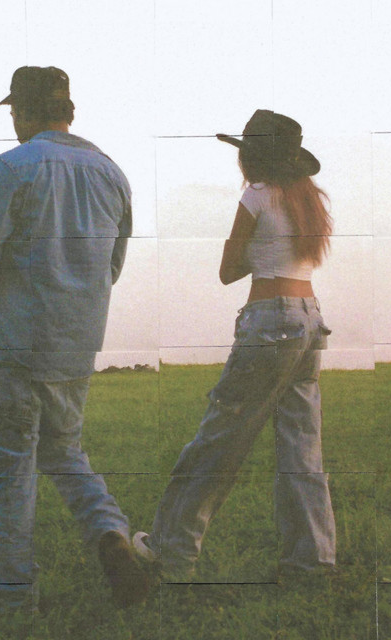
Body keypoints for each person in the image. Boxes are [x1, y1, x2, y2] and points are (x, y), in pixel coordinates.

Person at [0, 66, 150, 613]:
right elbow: (112, 268)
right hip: (76, 341)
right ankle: (110, 534)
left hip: (17, 339)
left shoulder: (9, 167)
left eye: (15, 111)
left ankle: (13, 600)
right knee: (65, 451)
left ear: (22, 111)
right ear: (69, 111)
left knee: (10, 468)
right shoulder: (112, 172)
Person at [133, 110, 336, 580]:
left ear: (252, 156)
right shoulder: (309, 201)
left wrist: (255, 249)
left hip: (270, 319)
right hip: (309, 320)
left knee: (218, 439)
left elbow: (228, 270)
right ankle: (312, 563)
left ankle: (170, 551)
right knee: (302, 447)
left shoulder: (256, 195)